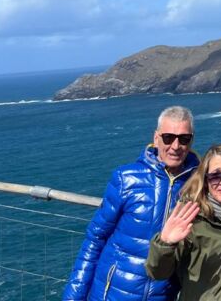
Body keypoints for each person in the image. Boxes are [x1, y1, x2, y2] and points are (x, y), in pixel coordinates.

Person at [63, 105, 199, 301]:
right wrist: (73, 297)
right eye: (168, 138)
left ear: (191, 141)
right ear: (156, 138)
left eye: (183, 139)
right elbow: (95, 239)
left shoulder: (198, 184)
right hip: (112, 293)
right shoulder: (126, 178)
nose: (175, 146)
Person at [146, 143, 221, 301]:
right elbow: (158, 272)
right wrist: (165, 243)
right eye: (215, 176)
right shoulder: (191, 216)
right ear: (205, 180)